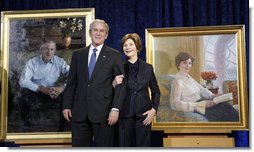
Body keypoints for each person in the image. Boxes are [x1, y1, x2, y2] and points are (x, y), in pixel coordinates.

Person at [62, 19, 125, 147]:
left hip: (104, 112)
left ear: (106, 35)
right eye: (95, 30)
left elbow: (120, 85)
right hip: (79, 112)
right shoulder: (78, 55)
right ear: (90, 33)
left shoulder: (115, 55)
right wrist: (66, 105)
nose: (98, 33)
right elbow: (71, 83)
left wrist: (115, 109)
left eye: (102, 31)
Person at [113, 33, 160, 147]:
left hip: (143, 115)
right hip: (124, 115)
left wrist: (153, 110)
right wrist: (113, 84)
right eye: (125, 45)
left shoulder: (148, 68)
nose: (128, 47)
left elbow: (156, 91)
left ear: (137, 47)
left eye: (131, 44)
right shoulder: (118, 66)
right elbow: (110, 91)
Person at [170, 52, 239, 121]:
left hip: (203, 104)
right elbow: (174, 104)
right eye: (184, 63)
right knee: (223, 112)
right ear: (178, 65)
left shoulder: (189, 78)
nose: (188, 65)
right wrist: (201, 105)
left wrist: (212, 96)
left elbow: (202, 89)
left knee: (224, 105)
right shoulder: (177, 81)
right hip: (196, 108)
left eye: (189, 63)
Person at [19, 39, 70, 131]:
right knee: (24, 92)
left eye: (51, 49)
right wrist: (41, 88)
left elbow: (72, 74)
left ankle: (64, 128)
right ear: (41, 50)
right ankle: (26, 127)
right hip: (36, 91)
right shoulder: (32, 62)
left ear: (55, 51)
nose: (49, 52)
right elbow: (23, 81)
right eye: (46, 49)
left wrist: (61, 88)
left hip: (53, 91)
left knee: (69, 93)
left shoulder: (59, 61)